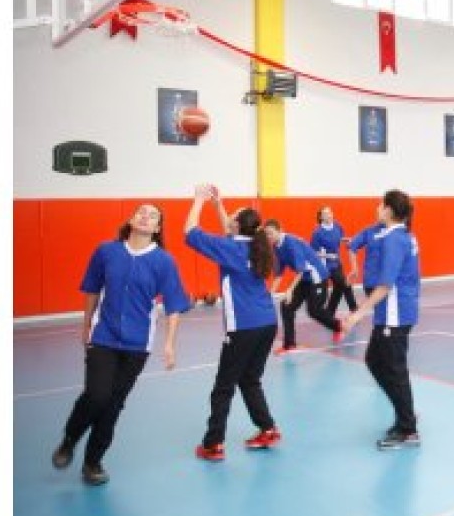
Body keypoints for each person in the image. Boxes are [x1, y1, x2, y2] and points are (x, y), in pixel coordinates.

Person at [51, 204, 190, 486]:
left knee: (113, 405)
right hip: (104, 336)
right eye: (141, 212)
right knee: (97, 395)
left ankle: (92, 462)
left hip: (137, 345)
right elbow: (92, 289)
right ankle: (69, 439)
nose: (145, 216)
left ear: (157, 228)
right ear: (131, 219)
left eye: (152, 215)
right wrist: (86, 325)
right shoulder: (106, 251)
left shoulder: (164, 261)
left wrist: (169, 345)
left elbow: (174, 306)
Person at [185, 185, 282, 462]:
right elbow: (229, 229)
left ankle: (213, 444)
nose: (228, 217)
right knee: (250, 379)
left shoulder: (230, 248)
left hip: (243, 327)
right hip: (267, 323)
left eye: (232, 215)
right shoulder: (256, 245)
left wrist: (199, 201)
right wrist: (219, 205)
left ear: (237, 225)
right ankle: (268, 428)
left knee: (223, 387)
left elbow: (190, 232)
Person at [341, 190, 423, 449]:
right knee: (374, 361)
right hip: (391, 313)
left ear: (389, 210)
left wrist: (356, 314)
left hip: (394, 314)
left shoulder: (394, 239)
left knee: (395, 370)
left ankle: (408, 429)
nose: (377, 208)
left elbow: (386, 285)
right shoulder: (400, 235)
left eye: (380, 205)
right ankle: (405, 412)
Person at [266, 219, 341, 352]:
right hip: (305, 278)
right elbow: (279, 274)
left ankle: (338, 326)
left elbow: (300, 270)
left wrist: (289, 290)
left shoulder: (291, 243)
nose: (268, 237)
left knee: (314, 311)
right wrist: (270, 294)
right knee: (286, 306)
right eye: (266, 234)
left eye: (270, 233)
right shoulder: (276, 247)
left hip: (317, 277)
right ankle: (289, 345)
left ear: (279, 231)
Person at [311, 206, 358, 318]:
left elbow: (338, 238)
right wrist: (328, 256)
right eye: (325, 214)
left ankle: (330, 312)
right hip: (325, 264)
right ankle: (354, 309)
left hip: (336, 262)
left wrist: (346, 240)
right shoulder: (317, 232)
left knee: (339, 287)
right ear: (321, 217)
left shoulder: (337, 226)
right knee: (344, 283)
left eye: (330, 212)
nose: (329, 215)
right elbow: (314, 252)